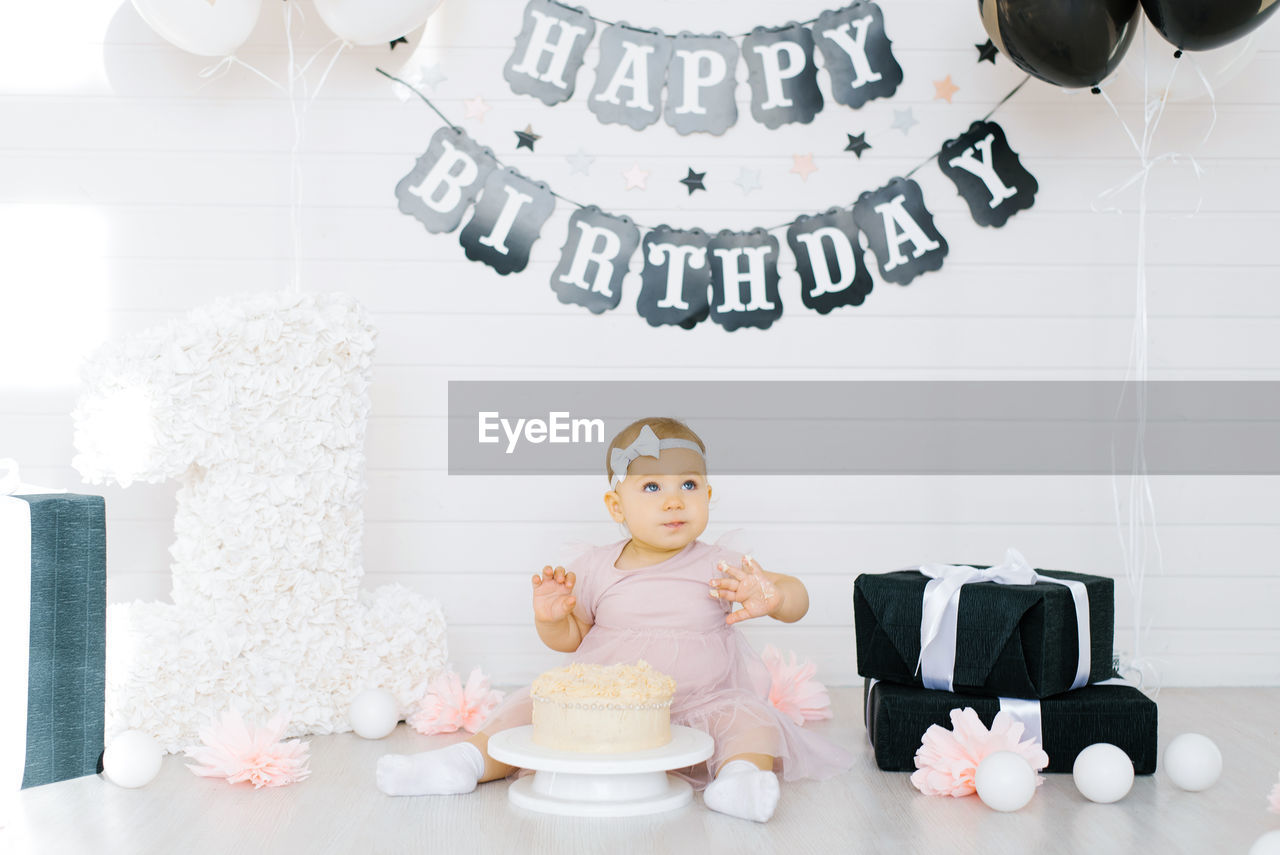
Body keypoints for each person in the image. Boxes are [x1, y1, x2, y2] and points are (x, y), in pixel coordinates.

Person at [376, 417, 853, 821]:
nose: (674, 500)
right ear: (615, 506)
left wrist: (773, 595)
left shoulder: (721, 565)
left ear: (709, 493)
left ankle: (739, 780)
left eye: (689, 485)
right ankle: (463, 763)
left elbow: (797, 598)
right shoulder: (597, 567)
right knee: (530, 711)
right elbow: (571, 639)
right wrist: (550, 617)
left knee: (752, 721)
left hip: (702, 702)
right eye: (652, 487)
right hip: (605, 707)